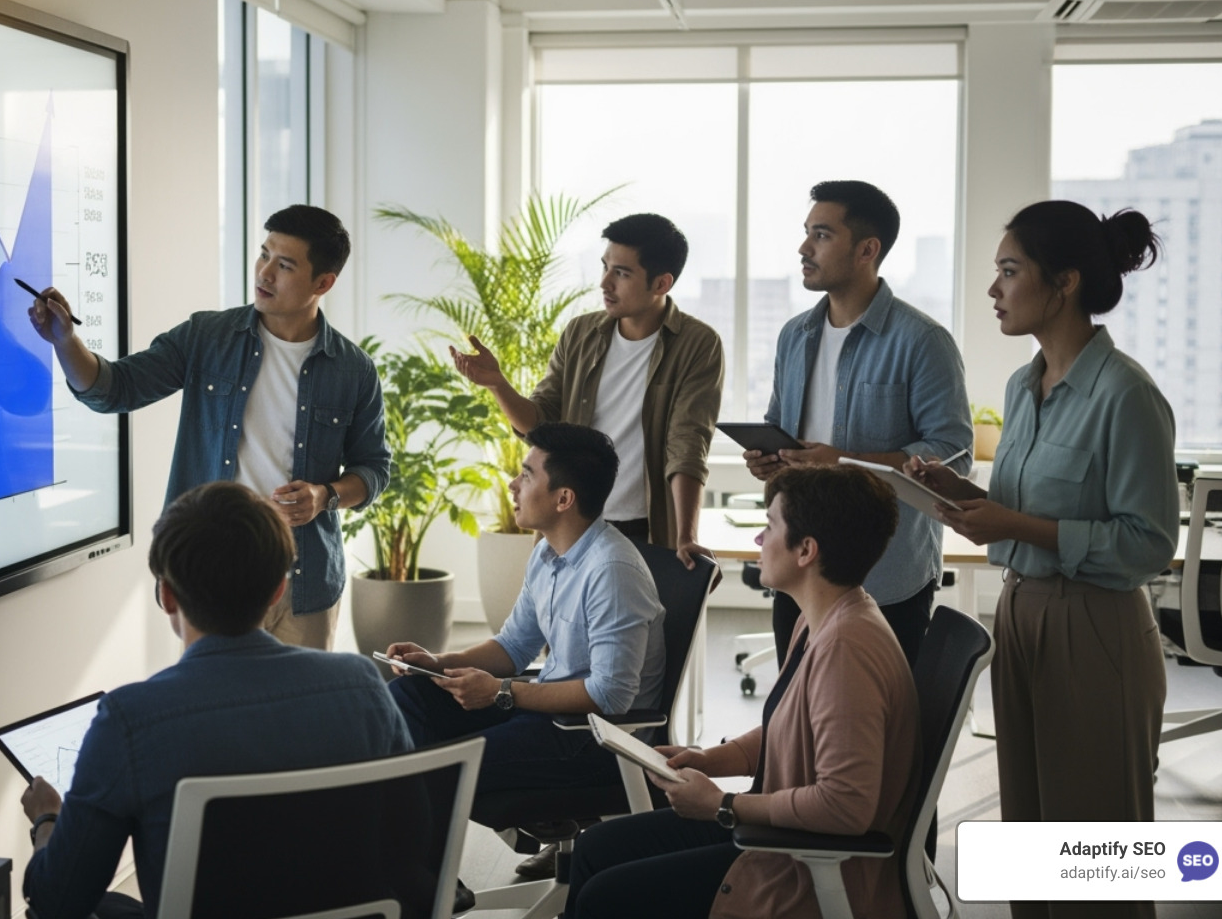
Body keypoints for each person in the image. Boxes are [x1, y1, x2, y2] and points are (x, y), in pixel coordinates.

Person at [906, 201, 1176, 919]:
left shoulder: (1126, 394)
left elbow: (1149, 544)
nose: (994, 289)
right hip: (1020, 613)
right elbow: (1023, 509)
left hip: (1095, 628)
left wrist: (1016, 521)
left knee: (1091, 849)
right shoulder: (1026, 390)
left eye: (1008, 271)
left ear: (1063, 282)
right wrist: (957, 491)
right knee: (1030, 834)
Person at [18, 482, 413, 919]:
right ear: (278, 590)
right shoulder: (362, 686)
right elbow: (412, 843)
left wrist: (47, 820)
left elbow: (59, 899)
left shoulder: (130, 720)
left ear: (167, 595)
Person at [27, 205, 389, 650]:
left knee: (296, 717)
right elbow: (115, 389)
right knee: (217, 710)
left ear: (323, 283)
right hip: (216, 571)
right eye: (264, 254)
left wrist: (324, 496)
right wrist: (66, 343)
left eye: (285, 264)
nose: (265, 272)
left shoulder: (353, 370)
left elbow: (373, 470)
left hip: (305, 579)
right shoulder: (207, 337)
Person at [564, 464, 918, 919]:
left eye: (770, 527)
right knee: (594, 847)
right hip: (781, 833)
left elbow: (845, 805)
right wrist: (712, 760)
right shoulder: (823, 617)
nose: (759, 540)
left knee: (605, 897)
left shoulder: (847, 648)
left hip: (804, 862)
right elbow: (786, 729)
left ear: (806, 550)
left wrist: (723, 804)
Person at [746, 180, 971, 666]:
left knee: (879, 729)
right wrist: (771, 458)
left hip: (887, 575)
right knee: (793, 717)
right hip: (799, 569)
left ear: (868, 249)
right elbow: (777, 420)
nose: (804, 248)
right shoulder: (794, 335)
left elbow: (953, 451)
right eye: (807, 233)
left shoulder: (923, 340)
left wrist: (843, 462)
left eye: (822, 235)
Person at [383, 422, 665, 793]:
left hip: (596, 738)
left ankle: (418, 828)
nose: (513, 485)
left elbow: (610, 696)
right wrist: (438, 662)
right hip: (548, 713)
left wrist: (502, 692)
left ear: (563, 499)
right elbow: (514, 647)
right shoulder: (547, 553)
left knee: (452, 764)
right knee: (408, 697)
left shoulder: (612, 572)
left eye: (527, 476)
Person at [451, 213, 723, 566]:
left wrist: (687, 535)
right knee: (556, 621)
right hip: (572, 524)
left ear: (661, 284)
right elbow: (541, 427)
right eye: (605, 267)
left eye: (622, 274)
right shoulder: (580, 333)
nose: (605, 283)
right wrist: (497, 385)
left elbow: (688, 442)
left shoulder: (697, 344)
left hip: (647, 529)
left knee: (643, 622)